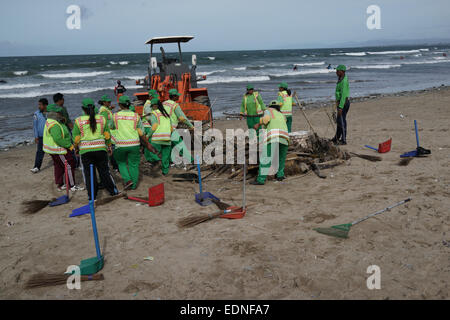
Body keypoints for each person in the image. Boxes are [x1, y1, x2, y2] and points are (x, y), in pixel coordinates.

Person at [72, 98, 119, 200]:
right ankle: (113, 191)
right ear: (94, 107)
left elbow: (76, 139)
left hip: (85, 151)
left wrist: (76, 149)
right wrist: (109, 146)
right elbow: (107, 135)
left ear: (83, 109)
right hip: (101, 149)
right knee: (104, 171)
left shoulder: (78, 121)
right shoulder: (102, 119)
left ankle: (92, 197)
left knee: (89, 175)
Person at [111, 95, 156, 190]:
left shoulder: (115, 116)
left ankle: (128, 180)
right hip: (134, 144)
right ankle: (134, 186)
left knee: (121, 163)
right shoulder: (136, 116)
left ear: (120, 105)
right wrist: (147, 144)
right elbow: (141, 132)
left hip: (120, 144)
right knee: (134, 165)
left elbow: (110, 127)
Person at [43, 104, 83, 191]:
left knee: (58, 166)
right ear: (53, 113)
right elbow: (58, 139)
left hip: (53, 150)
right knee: (69, 165)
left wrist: (63, 121)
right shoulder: (54, 124)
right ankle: (72, 185)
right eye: (58, 112)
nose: (60, 113)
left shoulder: (51, 121)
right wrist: (70, 146)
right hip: (59, 149)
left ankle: (60, 184)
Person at [250, 100, 289, 185]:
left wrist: (258, 123)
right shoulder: (282, 114)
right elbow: (284, 122)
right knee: (281, 158)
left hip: (273, 136)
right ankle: (280, 175)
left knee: (266, 157)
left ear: (270, 106)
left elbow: (266, 119)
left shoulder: (268, 111)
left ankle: (261, 180)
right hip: (285, 137)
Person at [162, 88, 194, 163]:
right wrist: (191, 126)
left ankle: (170, 161)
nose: (179, 97)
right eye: (177, 96)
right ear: (174, 96)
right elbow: (182, 117)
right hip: (170, 129)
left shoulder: (163, 103)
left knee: (169, 146)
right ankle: (191, 160)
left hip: (162, 128)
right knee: (180, 145)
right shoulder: (175, 105)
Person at [148, 98, 173, 175]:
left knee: (151, 151)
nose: (151, 108)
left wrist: (148, 135)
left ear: (155, 106)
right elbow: (171, 128)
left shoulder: (154, 113)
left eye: (152, 106)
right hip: (167, 138)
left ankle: (157, 160)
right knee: (166, 156)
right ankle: (165, 172)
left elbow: (154, 126)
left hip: (157, 138)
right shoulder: (166, 114)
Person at [98, 94, 118, 170]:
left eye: (110, 101)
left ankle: (114, 164)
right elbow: (104, 122)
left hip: (111, 132)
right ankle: (115, 166)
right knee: (112, 149)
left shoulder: (106, 109)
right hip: (109, 132)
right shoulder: (103, 111)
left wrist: (110, 108)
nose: (110, 103)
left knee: (112, 148)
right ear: (104, 102)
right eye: (108, 102)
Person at [332, 65, 350, 145]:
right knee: (339, 121)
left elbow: (343, 95)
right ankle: (336, 137)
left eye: (337, 71)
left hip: (343, 103)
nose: (336, 72)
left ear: (342, 72)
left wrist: (340, 107)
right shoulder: (340, 79)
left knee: (342, 121)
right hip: (340, 103)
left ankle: (343, 139)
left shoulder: (344, 81)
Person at [30, 98, 48, 173]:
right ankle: (37, 167)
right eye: (38, 104)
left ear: (45, 105)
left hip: (50, 136)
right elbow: (35, 126)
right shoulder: (36, 114)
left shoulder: (50, 113)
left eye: (40, 105)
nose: (39, 106)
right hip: (41, 137)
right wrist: (36, 136)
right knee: (40, 152)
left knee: (54, 151)